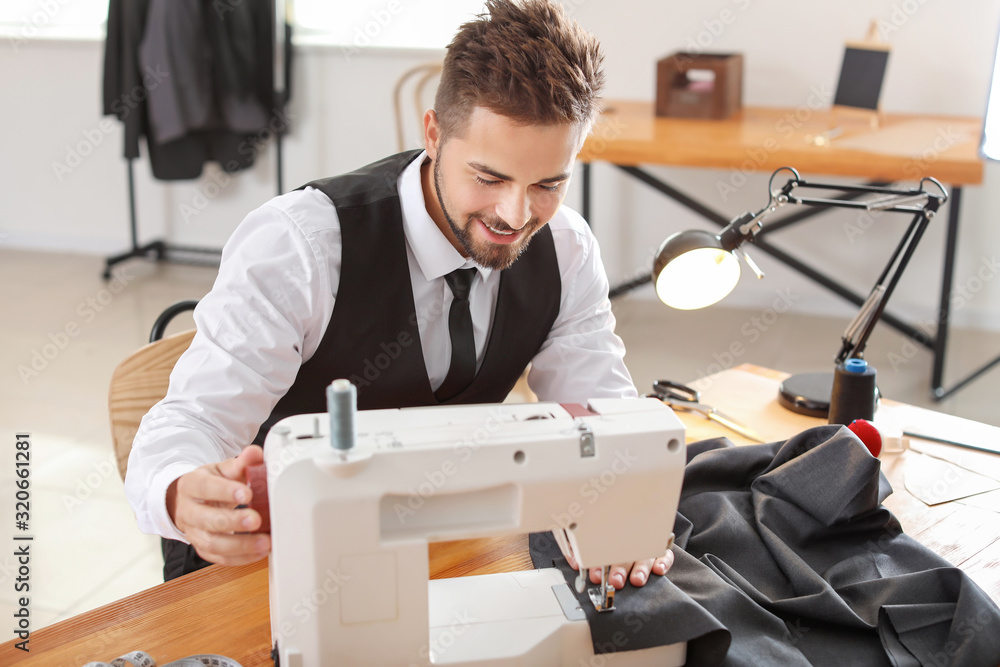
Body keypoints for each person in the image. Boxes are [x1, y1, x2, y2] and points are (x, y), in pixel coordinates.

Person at [126, 0, 673, 588]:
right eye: (489, 178)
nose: (516, 215)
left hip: (440, 545)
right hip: (263, 553)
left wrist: (625, 499)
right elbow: (194, 419)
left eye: (548, 184)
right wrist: (181, 490)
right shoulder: (302, 243)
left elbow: (601, 414)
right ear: (434, 134)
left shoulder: (565, 248)